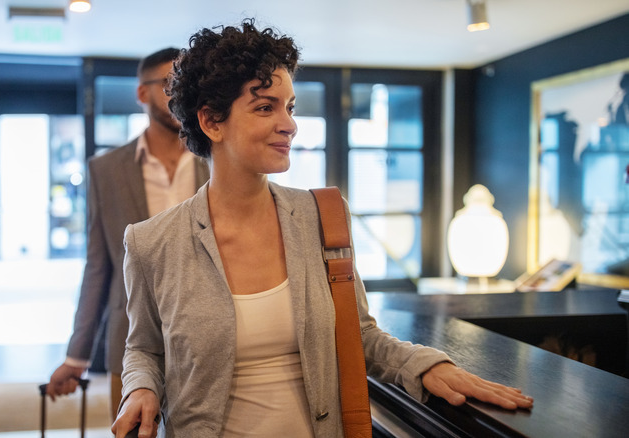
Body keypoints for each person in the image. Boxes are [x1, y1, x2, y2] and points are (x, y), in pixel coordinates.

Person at [112, 20, 533, 438]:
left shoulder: (322, 216)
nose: (289, 124)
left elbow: (359, 334)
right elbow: (144, 348)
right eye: (265, 107)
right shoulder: (152, 242)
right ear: (211, 122)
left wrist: (425, 363)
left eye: (290, 106)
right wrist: (141, 388)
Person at [45, 48, 210, 421]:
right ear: (142, 94)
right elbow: (98, 266)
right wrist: (77, 355)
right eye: (170, 84)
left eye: (188, 85)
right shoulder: (106, 170)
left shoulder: (217, 160)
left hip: (209, 338)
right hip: (132, 340)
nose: (179, 94)